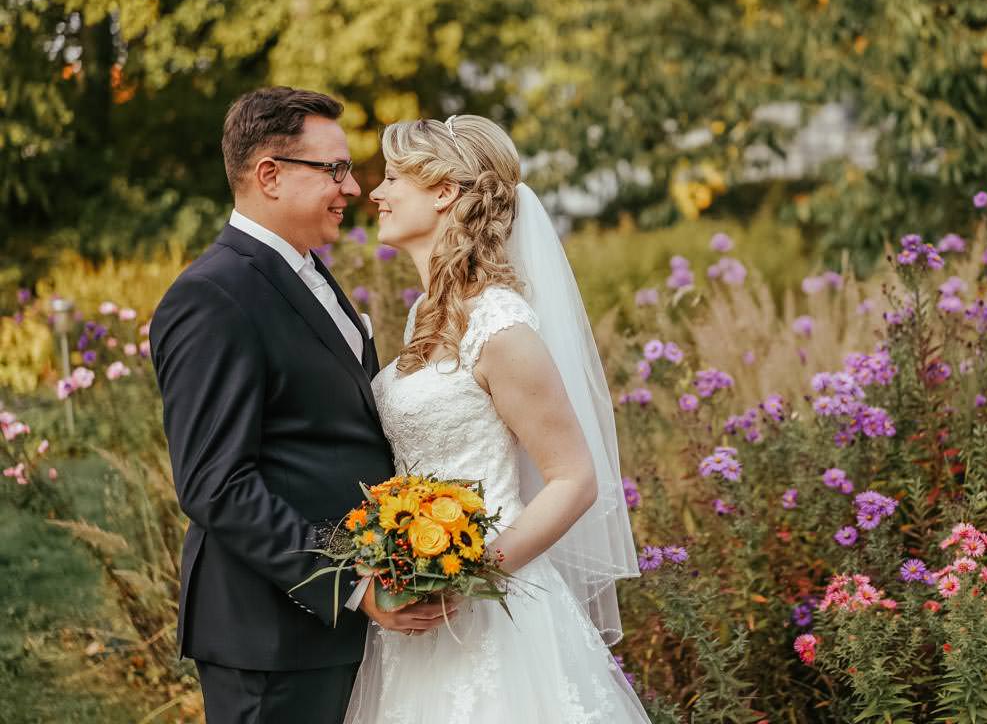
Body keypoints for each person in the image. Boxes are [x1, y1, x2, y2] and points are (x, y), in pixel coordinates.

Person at [150, 87, 458, 723]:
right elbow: (216, 484)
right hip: (271, 637)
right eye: (335, 169)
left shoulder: (305, 273)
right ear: (270, 174)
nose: (352, 188)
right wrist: (352, 581)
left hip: (328, 634)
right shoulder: (214, 296)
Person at [342, 115, 648, 722]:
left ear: (444, 192)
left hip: (494, 609)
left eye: (394, 176)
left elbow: (575, 479)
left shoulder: (499, 325)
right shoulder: (426, 316)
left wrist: (469, 570)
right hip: (420, 611)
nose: (375, 192)